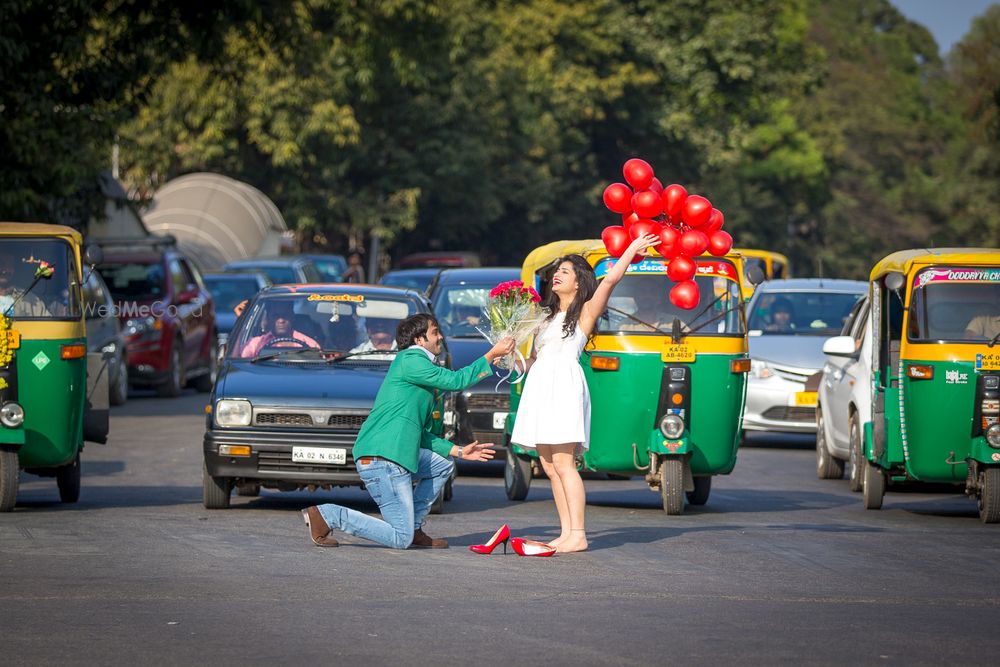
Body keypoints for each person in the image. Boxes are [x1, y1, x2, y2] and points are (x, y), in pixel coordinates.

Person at [301, 314, 515, 549]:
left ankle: (412, 526)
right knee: (399, 539)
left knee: (442, 465)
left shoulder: (419, 368)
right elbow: (456, 381)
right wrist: (491, 354)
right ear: (419, 339)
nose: (441, 337)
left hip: (396, 453)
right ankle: (328, 515)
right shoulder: (412, 359)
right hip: (383, 458)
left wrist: (458, 451)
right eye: (435, 332)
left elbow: (419, 434)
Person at [510, 233, 659, 554]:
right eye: (557, 272)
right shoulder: (544, 315)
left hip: (563, 384)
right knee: (548, 465)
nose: (558, 275)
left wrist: (632, 249)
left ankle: (578, 533)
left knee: (565, 463)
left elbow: (611, 280)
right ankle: (566, 533)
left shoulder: (586, 312)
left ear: (578, 282)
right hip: (540, 384)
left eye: (565, 271)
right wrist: (509, 354)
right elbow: (533, 359)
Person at [240, 301, 320, 357]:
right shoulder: (255, 344)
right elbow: (240, 363)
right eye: (275, 316)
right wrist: (241, 320)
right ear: (268, 318)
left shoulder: (310, 344)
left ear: (292, 317)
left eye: (285, 315)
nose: (281, 320)